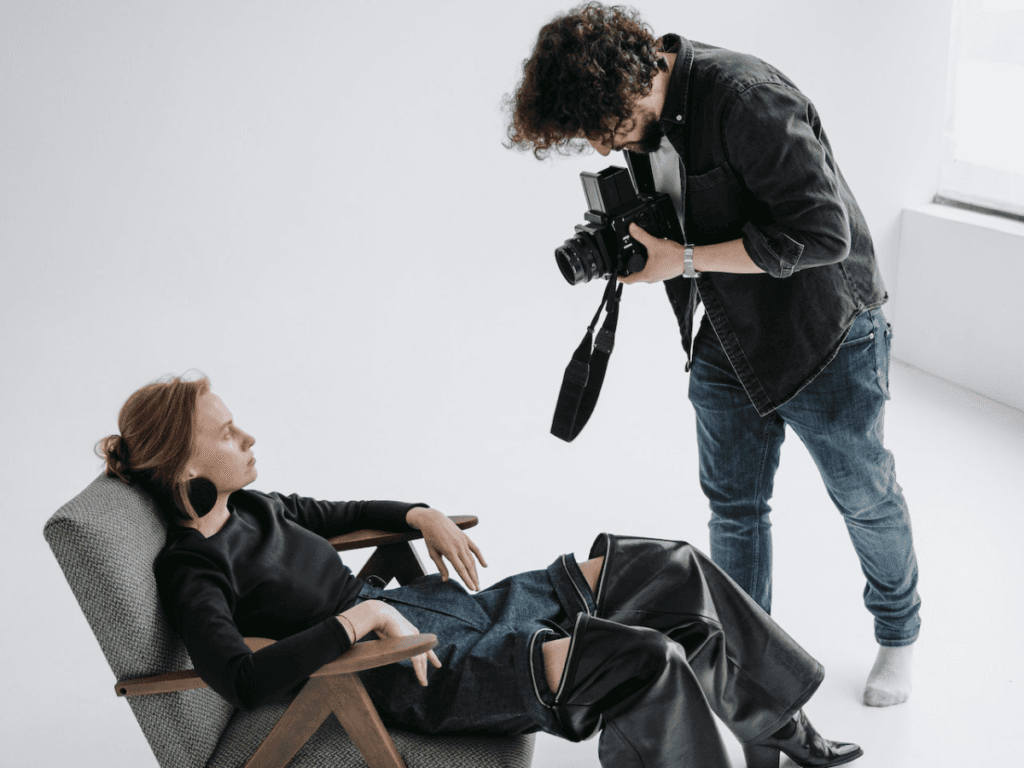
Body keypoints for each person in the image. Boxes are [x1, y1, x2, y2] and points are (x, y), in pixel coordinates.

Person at [97, 372, 863, 768]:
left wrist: (420, 514)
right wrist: (360, 619)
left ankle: (779, 730)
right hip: (413, 668)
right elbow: (239, 678)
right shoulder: (192, 567)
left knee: (667, 565)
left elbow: (341, 510)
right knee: (646, 658)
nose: (249, 436)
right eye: (228, 433)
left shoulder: (255, 505)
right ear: (184, 464)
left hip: (443, 613)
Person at [504, 2, 920, 708]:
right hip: (728, 333)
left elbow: (824, 234)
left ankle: (898, 636)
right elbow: (690, 222)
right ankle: (748, 660)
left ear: (631, 82)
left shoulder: (749, 98)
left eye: (604, 128)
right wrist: (646, 247)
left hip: (827, 334)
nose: (606, 147)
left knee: (864, 499)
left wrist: (686, 258)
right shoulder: (643, 119)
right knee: (734, 508)